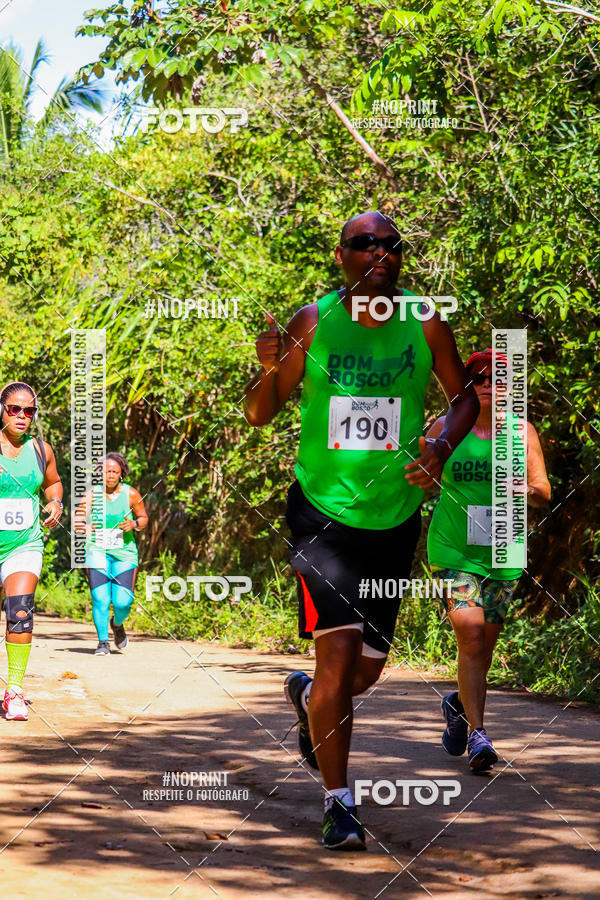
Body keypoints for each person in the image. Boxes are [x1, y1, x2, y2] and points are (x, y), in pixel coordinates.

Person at [244, 211, 479, 850]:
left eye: (391, 245)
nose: (380, 253)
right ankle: (340, 804)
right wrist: (268, 368)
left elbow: (464, 398)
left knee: (364, 673)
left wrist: (440, 446)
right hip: (321, 514)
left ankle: (308, 700)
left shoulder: (425, 322)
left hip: (393, 518)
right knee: (338, 653)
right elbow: (260, 413)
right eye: (364, 244)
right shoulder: (313, 323)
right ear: (341, 255)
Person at [426, 348, 551, 772]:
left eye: (495, 378)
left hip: (503, 550)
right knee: (472, 637)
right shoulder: (445, 427)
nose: (485, 385)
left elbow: (543, 492)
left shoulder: (522, 433)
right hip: (453, 549)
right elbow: (417, 474)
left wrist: (523, 489)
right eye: (476, 378)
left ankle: (458, 705)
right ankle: (479, 735)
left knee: (484, 649)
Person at [0, 382, 63, 721]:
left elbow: (53, 483)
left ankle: (14, 691)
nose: (22, 416)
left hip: (24, 544)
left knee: (20, 611)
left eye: (29, 411)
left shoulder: (41, 449)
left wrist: (56, 503)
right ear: (2, 410)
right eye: (15, 409)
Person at [74, 453, 147, 655]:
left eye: (115, 471)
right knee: (100, 598)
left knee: (123, 602)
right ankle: (103, 642)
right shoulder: (92, 494)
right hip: (96, 551)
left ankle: (117, 624)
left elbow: (143, 518)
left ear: (121, 473)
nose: (111, 475)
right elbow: (77, 520)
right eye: (107, 471)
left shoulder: (131, 494)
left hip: (124, 553)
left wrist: (134, 524)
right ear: (101, 473)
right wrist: (85, 527)